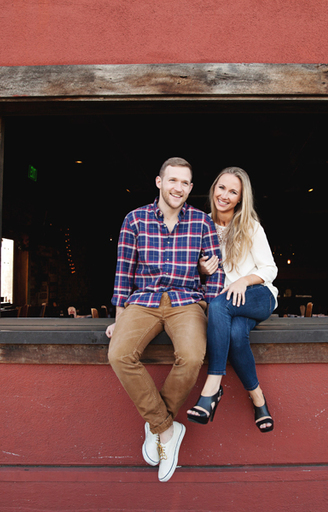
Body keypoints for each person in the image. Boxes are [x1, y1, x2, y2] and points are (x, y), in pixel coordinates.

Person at [106, 157, 224, 482]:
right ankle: (168, 431)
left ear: (190, 188)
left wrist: (214, 318)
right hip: (142, 301)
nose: (179, 188)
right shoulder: (135, 219)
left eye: (185, 183)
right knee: (118, 354)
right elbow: (123, 274)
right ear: (159, 182)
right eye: (173, 181)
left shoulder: (202, 223)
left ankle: (157, 426)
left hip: (186, 301)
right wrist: (119, 319)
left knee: (191, 356)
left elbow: (216, 276)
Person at [186, 167, 278, 433]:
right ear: (214, 188)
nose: (225, 195)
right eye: (222, 188)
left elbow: (270, 270)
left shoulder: (250, 226)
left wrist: (242, 281)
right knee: (237, 334)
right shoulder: (200, 225)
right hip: (226, 305)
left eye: (233, 191)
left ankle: (212, 386)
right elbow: (187, 274)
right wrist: (201, 271)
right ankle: (258, 398)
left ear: (240, 198)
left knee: (219, 304)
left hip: (258, 295)